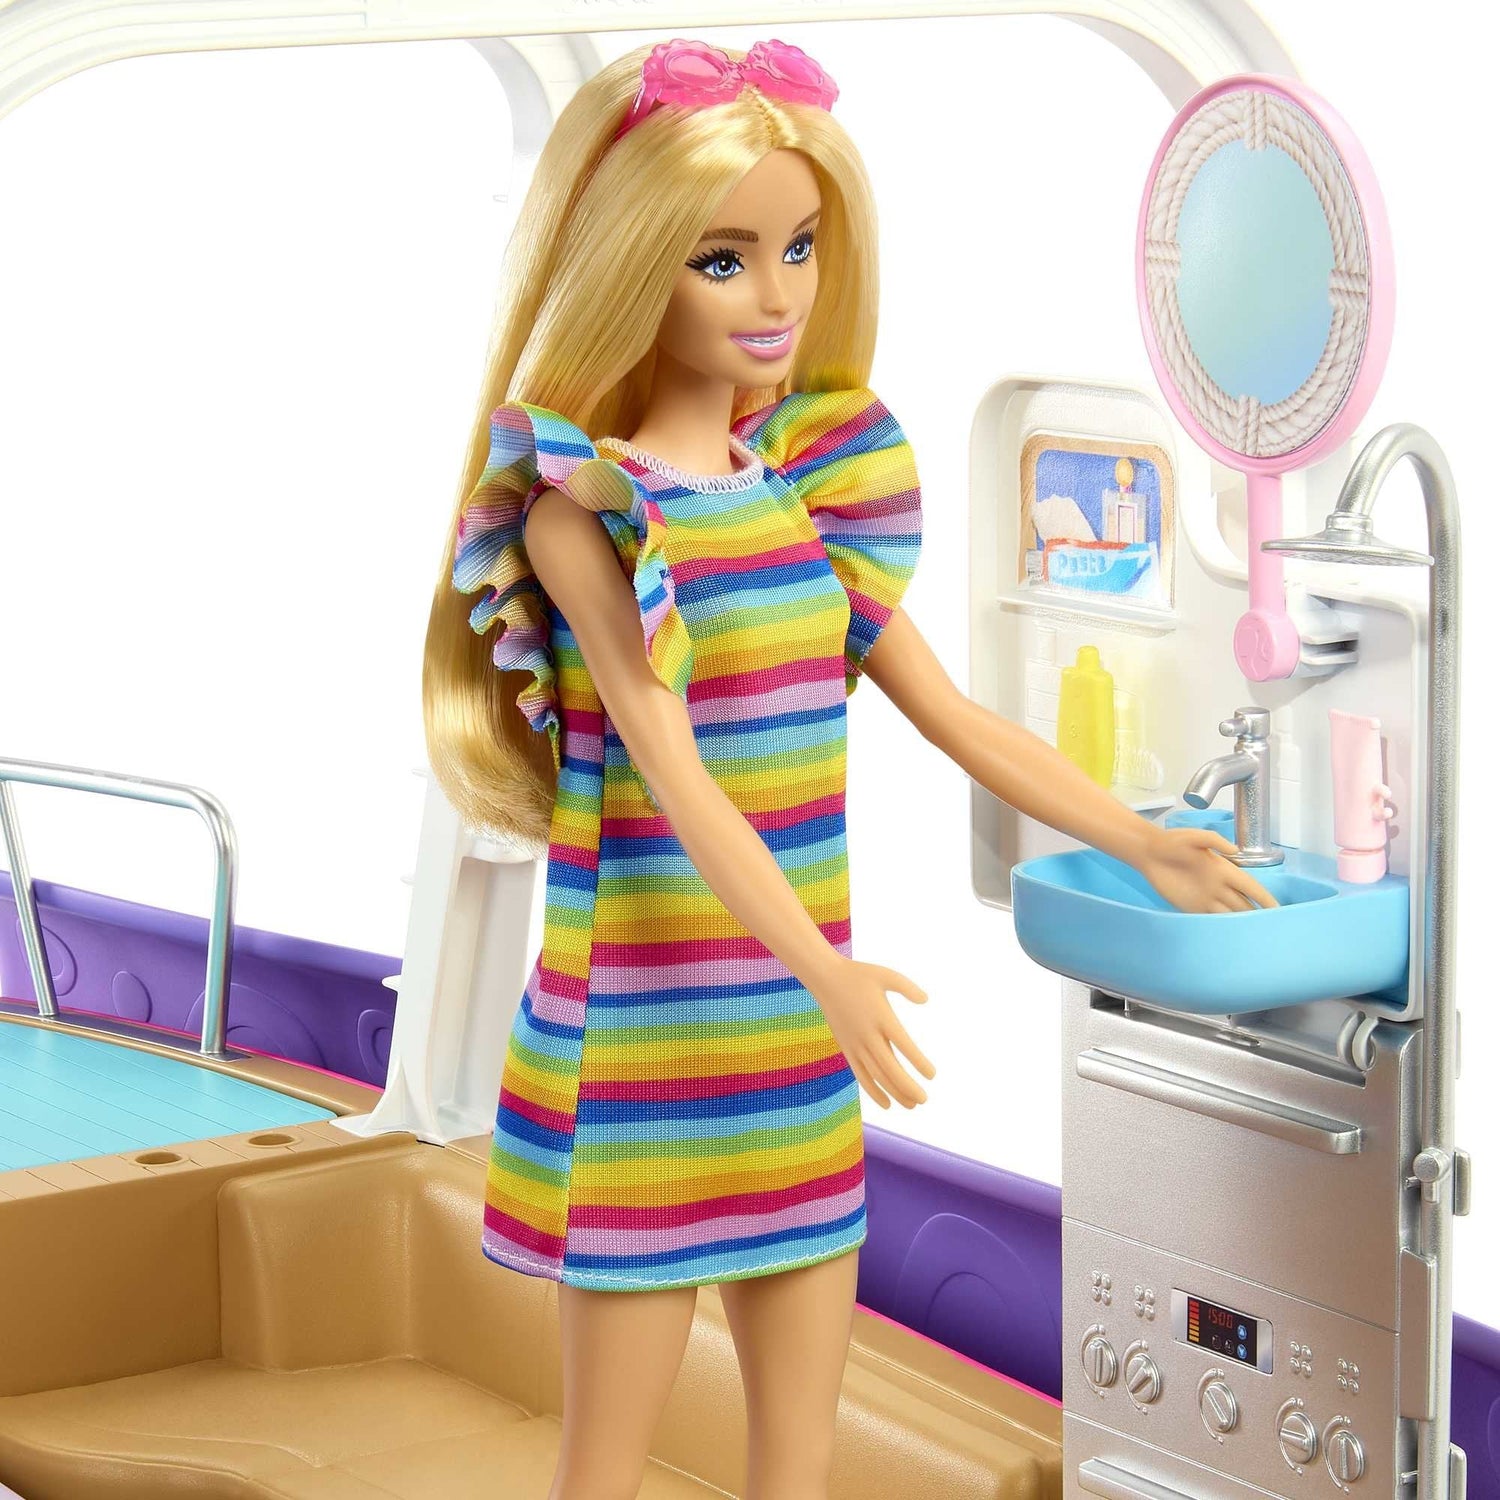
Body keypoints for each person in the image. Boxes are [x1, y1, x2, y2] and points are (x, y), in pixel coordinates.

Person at [423, 37, 1275, 1500]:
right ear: (632, 270)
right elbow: (672, 774)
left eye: (800, 248)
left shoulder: (812, 492)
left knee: (797, 1466)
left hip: (798, 1043)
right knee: (602, 1469)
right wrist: (828, 971)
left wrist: (1143, 841)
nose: (778, 296)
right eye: (725, 259)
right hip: (653, 1037)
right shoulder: (584, 514)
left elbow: (955, 716)